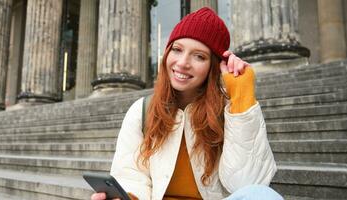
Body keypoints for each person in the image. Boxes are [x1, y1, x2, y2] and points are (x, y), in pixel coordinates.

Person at [91, 7, 280, 200]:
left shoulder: (230, 110)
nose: (182, 62)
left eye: (199, 56)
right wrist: (126, 197)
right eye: (177, 49)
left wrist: (241, 96)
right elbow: (130, 175)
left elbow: (246, 184)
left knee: (262, 195)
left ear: (213, 66)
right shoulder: (141, 110)